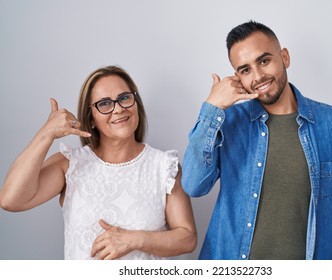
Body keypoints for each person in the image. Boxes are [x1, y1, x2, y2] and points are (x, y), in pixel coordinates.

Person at [181, 20, 332, 260]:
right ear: (237, 77)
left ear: (285, 58)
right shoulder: (226, 121)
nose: (258, 76)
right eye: (245, 70)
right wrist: (211, 108)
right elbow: (194, 185)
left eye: (264, 61)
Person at [0, 65, 197, 260]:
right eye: (104, 103)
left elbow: (187, 238)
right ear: (91, 118)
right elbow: (11, 200)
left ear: (136, 103)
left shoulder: (164, 167)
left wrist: (135, 239)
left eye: (124, 98)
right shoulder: (70, 164)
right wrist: (46, 134)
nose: (118, 109)